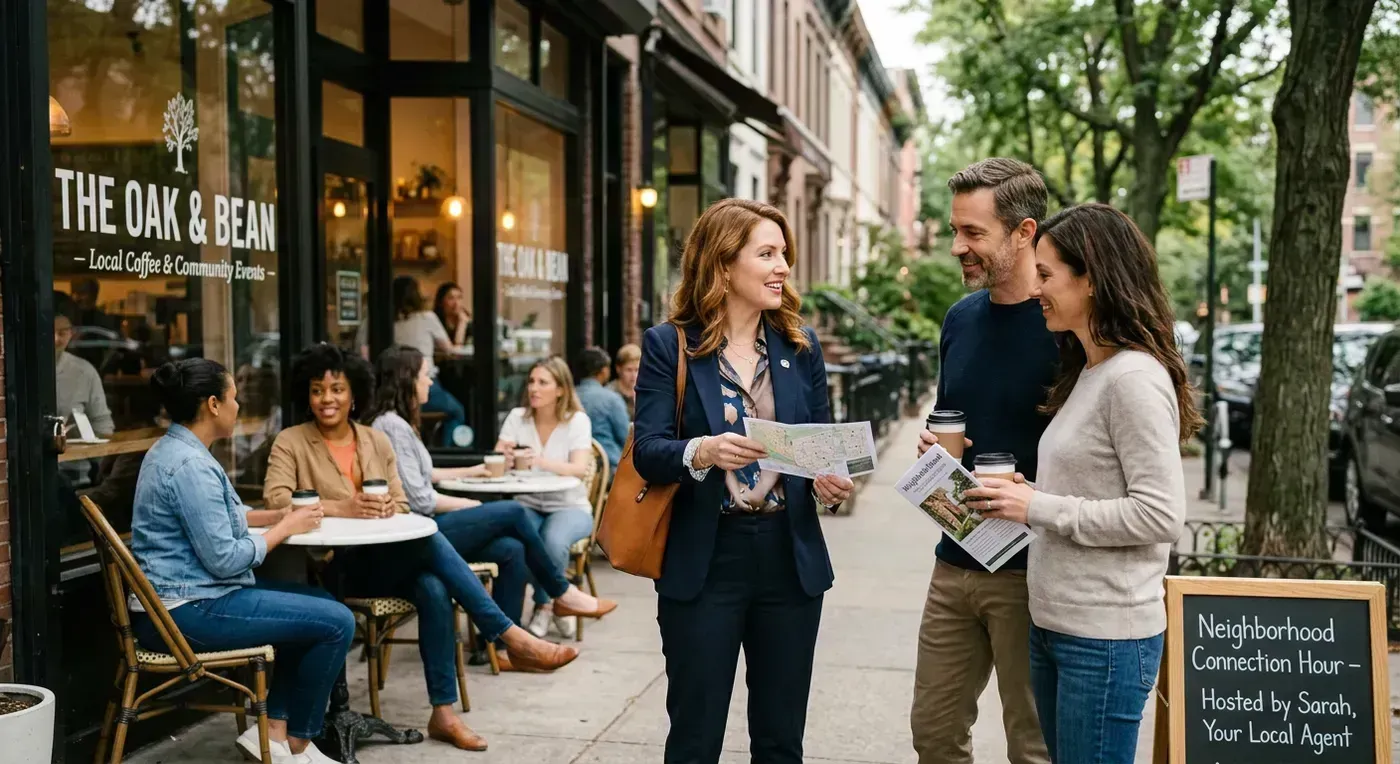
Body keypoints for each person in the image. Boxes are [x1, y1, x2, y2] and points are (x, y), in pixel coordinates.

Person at [965, 204, 1195, 764]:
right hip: (1056, 624)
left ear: (1090, 277)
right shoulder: (1089, 371)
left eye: (1046, 275)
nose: (1035, 288)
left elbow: (1161, 516)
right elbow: (1091, 484)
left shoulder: (1134, 379)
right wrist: (1024, 494)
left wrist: (1038, 505)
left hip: (1105, 638)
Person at [264, 344, 578, 752]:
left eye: (337, 389)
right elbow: (275, 501)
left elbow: (404, 503)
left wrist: (382, 509)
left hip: (380, 558)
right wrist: (344, 508)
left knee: (431, 584)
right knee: (432, 553)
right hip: (328, 565)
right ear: (306, 396)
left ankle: (443, 714)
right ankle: (508, 634)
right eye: (318, 391)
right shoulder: (291, 441)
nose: (328, 399)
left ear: (354, 393)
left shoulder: (375, 440)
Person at [632, 198, 854, 764]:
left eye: (784, 254)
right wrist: (702, 450)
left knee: (781, 740)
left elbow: (819, 445)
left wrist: (829, 481)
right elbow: (649, 452)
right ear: (724, 265)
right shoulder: (670, 345)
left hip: (788, 556)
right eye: (767, 253)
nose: (782, 266)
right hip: (706, 561)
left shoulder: (800, 348)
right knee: (695, 737)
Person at [129, 358, 351, 764]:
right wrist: (284, 530)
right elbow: (225, 559)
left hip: (187, 600)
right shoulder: (190, 465)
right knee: (336, 621)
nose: (240, 404)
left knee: (316, 606)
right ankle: (297, 744)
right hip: (184, 613)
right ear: (213, 404)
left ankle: (275, 732)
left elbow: (226, 517)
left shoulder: (180, 449)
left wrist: (280, 517)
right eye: (234, 397)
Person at [911, 158, 1055, 764]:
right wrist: (931, 452)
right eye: (955, 230)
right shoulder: (960, 318)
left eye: (972, 233)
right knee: (935, 733)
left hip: (1032, 570)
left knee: (1033, 744)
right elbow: (955, 422)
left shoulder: (1066, 326)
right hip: (956, 556)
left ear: (1024, 232)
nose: (956, 247)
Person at [366, 344, 617, 667]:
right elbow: (420, 499)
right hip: (418, 528)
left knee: (512, 549)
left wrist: (473, 471)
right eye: (426, 376)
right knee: (512, 512)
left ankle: (498, 649)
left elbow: (426, 475)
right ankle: (559, 592)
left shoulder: (400, 424)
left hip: (558, 505)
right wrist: (471, 504)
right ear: (406, 380)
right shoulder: (393, 426)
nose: (431, 383)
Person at [492, 357, 598, 640]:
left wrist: (538, 460)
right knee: (514, 544)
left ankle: (545, 605)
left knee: (551, 541)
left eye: (542, 383)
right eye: (531, 382)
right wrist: (507, 457)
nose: (533, 389)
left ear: (561, 389)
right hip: (528, 503)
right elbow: (497, 458)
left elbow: (578, 468)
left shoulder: (577, 421)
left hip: (569, 506)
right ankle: (552, 604)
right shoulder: (517, 417)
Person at [392, 276, 464, 446]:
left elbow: (362, 349)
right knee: (457, 411)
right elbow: (452, 351)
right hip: (425, 388)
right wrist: (462, 323)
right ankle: (449, 455)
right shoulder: (426, 318)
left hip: (392, 389)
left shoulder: (380, 320)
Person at [573, 347, 630, 470]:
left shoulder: (568, 397)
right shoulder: (611, 399)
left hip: (575, 465)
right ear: (604, 371)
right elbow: (627, 439)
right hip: (608, 468)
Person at [433, 282, 471, 348]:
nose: (456, 303)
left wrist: (462, 323)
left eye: (459, 298)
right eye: (451, 298)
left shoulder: (469, 322)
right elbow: (454, 350)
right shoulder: (435, 322)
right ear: (441, 302)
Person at [609, 343, 641, 419]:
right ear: (618, 369)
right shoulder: (610, 392)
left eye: (637, 370)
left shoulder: (645, 390)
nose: (634, 375)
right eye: (629, 370)